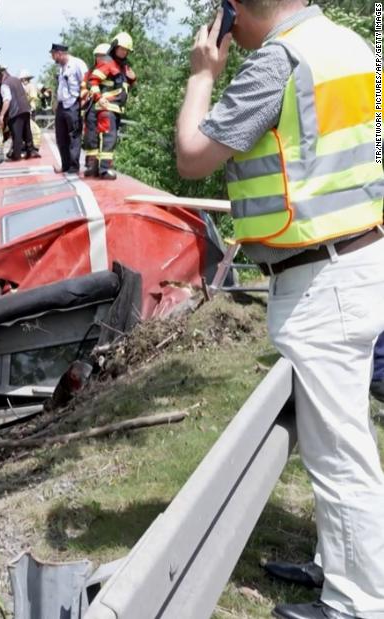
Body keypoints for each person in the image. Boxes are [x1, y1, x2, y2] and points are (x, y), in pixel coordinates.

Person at [175, 0, 384, 617]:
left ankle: (357, 604)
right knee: (341, 434)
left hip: (322, 278)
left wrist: (201, 74)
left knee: (340, 453)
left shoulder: (278, 63)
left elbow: (192, 156)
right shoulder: (350, 46)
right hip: (360, 255)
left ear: (235, 12)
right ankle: (335, 563)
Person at [83, 32, 137, 180]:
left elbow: (123, 83)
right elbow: (92, 81)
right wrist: (99, 98)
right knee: (108, 138)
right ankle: (104, 170)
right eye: (121, 49)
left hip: (116, 108)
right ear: (114, 47)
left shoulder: (123, 66)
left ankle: (97, 168)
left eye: (126, 50)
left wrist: (133, 79)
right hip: (107, 107)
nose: (124, 52)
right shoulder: (107, 62)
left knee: (108, 138)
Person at [50, 43, 87, 173]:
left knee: (74, 136)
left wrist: (82, 104)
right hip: (62, 105)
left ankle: (73, 166)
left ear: (60, 53)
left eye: (54, 55)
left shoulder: (77, 64)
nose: (53, 58)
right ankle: (65, 165)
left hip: (73, 104)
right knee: (61, 136)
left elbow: (86, 83)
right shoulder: (61, 67)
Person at [80, 43, 112, 177]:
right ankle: (91, 165)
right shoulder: (89, 73)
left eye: (102, 56)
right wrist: (88, 94)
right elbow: (83, 89)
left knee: (105, 136)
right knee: (90, 137)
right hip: (91, 107)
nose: (100, 59)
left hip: (105, 107)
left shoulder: (111, 71)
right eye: (98, 56)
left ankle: (103, 167)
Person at [0, 67, 38, 160]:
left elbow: (7, 100)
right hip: (26, 108)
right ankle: (30, 151)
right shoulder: (16, 79)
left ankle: (17, 155)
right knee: (27, 132)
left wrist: (2, 115)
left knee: (17, 134)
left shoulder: (5, 84)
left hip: (15, 111)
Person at [20, 69, 44, 152]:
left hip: (30, 109)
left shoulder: (31, 86)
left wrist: (26, 101)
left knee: (31, 128)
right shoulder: (26, 86)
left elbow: (33, 96)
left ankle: (32, 145)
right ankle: (27, 144)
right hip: (26, 109)